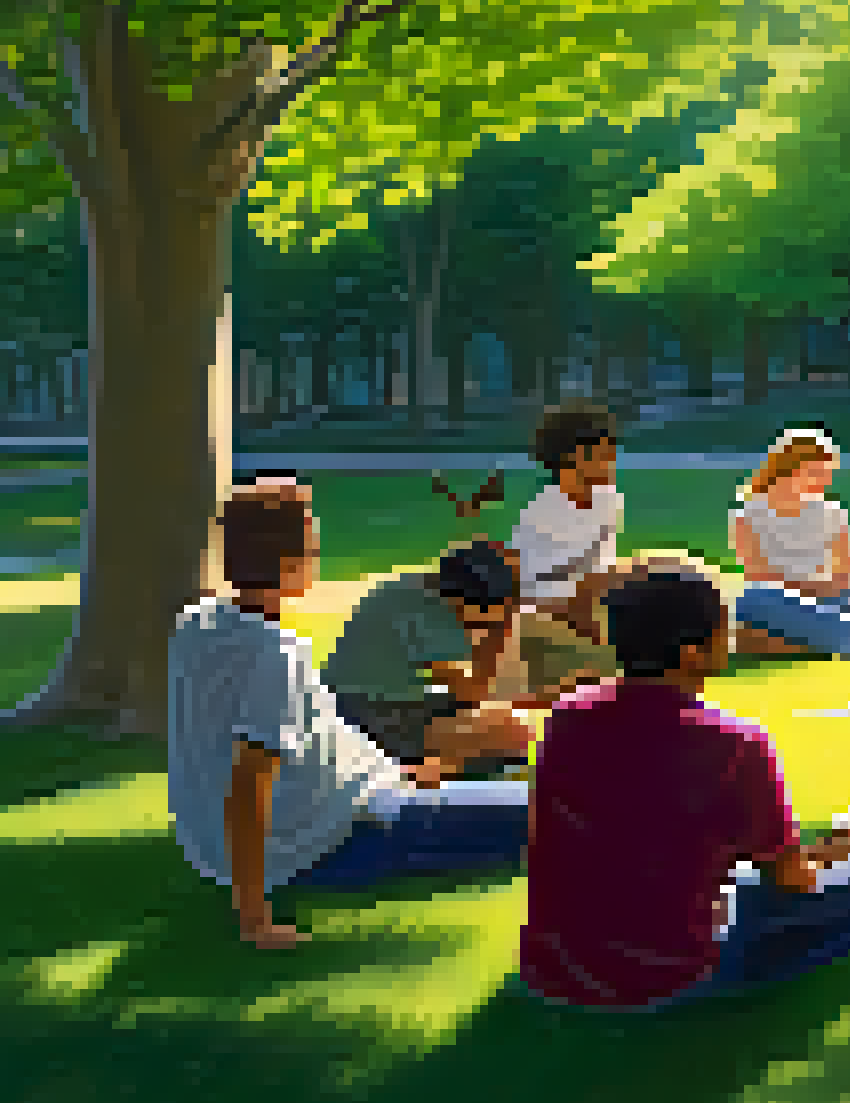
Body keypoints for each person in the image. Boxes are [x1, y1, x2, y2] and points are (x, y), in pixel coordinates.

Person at [517, 557, 850, 1012]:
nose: (730, 639)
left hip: (552, 967)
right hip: (667, 974)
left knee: (761, 880)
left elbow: (629, 835)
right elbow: (793, 880)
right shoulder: (734, 742)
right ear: (692, 651)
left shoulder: (567, 716)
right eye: (722, 630)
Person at [168, 480, 532, 950]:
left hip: (345, 806)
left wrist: (394, 772)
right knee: (548, 810)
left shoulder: (199, 623)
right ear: (290, 564)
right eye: (313, 545)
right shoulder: (272, 654)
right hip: (331, 842)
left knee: (520, 799)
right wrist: (254, 919)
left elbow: (307, 737)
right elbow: (249, 783)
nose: (318, 554)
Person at [322, 539, 537, 786]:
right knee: (512, 733)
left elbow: (464, 692)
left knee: (504, 726)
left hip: (358, 705)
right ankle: (420, 777)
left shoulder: (415, 588)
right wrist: (500, 630)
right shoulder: (437, 613)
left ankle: (432, 771)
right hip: (367, 716)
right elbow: (473, 692)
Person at [726, 427, 850, 658]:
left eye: (827, 473)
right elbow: (758, 575)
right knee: (754, 597)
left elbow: (847, 570)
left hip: (825, 592)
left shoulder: (832, 510)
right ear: (791, 468)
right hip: (780, 594)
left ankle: (808, 629)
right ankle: (848, 632)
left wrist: (820, 586)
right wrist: (810, 587)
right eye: (818, 472)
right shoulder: (748, 514)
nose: (825, 481)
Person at [507, 407, 628, 702]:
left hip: (592, 615)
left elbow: (603, 572)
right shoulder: (539, 517)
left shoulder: (609, 501)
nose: (612, 462)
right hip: (540, 622)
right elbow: (527, 601)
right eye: (604, 454)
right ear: (575, 458)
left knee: (666, 565)